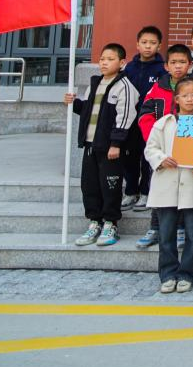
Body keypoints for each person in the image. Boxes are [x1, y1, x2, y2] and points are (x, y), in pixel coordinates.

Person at [64, 43, 138, 247]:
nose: (104, 63)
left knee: (110, 186)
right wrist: (74, 103)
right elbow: (87, 110)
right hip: (91, 145)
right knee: (89, 185)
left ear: (122, 63)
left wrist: (116, 144)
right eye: (102, 59)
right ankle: (94, 221)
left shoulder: (125, 87)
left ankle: (110, 223)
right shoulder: (95, 84)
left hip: (110, 148)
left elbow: (125, 118)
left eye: (110, 59)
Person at [143, 76, 193, 293]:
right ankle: (167, 274)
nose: (189, 99)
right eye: (185, 95)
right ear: (177, 99)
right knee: (166, 235)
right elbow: (150, 148)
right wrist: (161, 159)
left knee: (192, 236)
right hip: (166, 184)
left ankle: (187, 274)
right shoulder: (164, 123)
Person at [135, 44, 193, 250]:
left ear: (189, 64)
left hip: (187, 148)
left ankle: (180, 227)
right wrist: (154, 139)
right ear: (166, 65)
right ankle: (154, 227)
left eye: (182, 62)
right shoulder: (158, 87)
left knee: (183, 189)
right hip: (162, 148)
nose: (178, 66)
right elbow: (145, 114)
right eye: (174, 62)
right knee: (159, 189)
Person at [121, 25, 167, 211]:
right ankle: (130, 191)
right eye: (144, 42)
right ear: (137, 44)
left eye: (153, 43)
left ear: (159, 46)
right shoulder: (129, 68)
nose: (148, 46)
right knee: (130, 157)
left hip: (151, 122)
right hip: (130, 121)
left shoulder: (162, 69)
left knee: (147, 158)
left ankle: (146, 192)